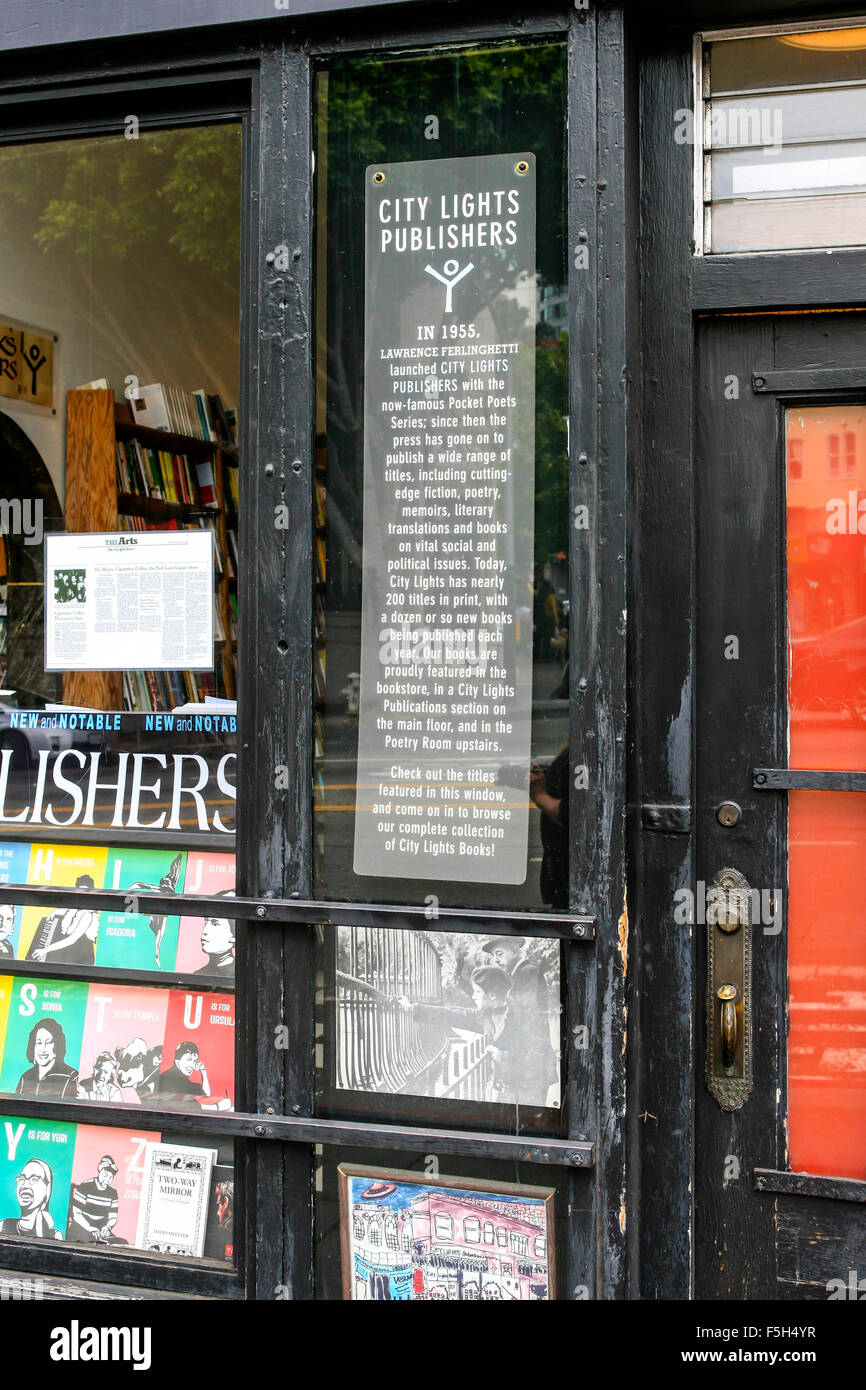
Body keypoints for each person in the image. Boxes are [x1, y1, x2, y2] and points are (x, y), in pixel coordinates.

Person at [126, 853, 183, 969]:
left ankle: (157, 956)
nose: (167, 880)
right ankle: (157, 956)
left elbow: (175, 870)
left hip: (160, 913)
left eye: (168, 880)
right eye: (165, 880)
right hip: (155, 913)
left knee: (159, 936)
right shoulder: (157, 888)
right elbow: (140, 884)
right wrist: (129, 889)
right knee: (158, 933)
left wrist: (179, 859)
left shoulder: (170, 886)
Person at [25, 875, 98, 965]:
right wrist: (55, 912)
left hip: (81, 959)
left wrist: (45, 950)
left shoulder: (88, 915)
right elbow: (68, 910)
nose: (82, 894)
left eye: (85, 891)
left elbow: (71, 939)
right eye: (79, 891)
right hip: (70, 950)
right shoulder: (75, 908)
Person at [529, 746, 569, 910]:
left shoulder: (585, 747)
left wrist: (541, 797)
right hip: (562, 867)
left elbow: (576, 813)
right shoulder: (573, 749)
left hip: (569, 871)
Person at [67, 1155, 127, 1245]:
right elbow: (76, 1214)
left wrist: (108, 1227)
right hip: (81, 1228)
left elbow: (113, 1216)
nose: (107, 1180)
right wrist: (90, 1228)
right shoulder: (85, 1186)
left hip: (100, 1231)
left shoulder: (113, 1192)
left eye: (110, 1177)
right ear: (100, 1171)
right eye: (105, 1175)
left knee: (122, 1243)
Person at [0, 1158, 62, 1239]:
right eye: (22, 1179)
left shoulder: (55, 1236)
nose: (25, 1186)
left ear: (47, 1189)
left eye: (34, 1179)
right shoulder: (3, 1226)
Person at [16, 1017, 79, 1098]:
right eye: (38, 1043)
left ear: (57, 1045)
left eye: (48, 1042)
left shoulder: (72, 1077)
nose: (43, 1049)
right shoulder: (26, 1076)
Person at [156, 1040, 210, 1107]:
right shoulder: (167, 1078)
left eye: (194, 1061)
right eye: (188, 1059)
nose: (192, 1065)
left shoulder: (185, 1081)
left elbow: (206, 1095)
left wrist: (203, 1071)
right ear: (177, 1061)